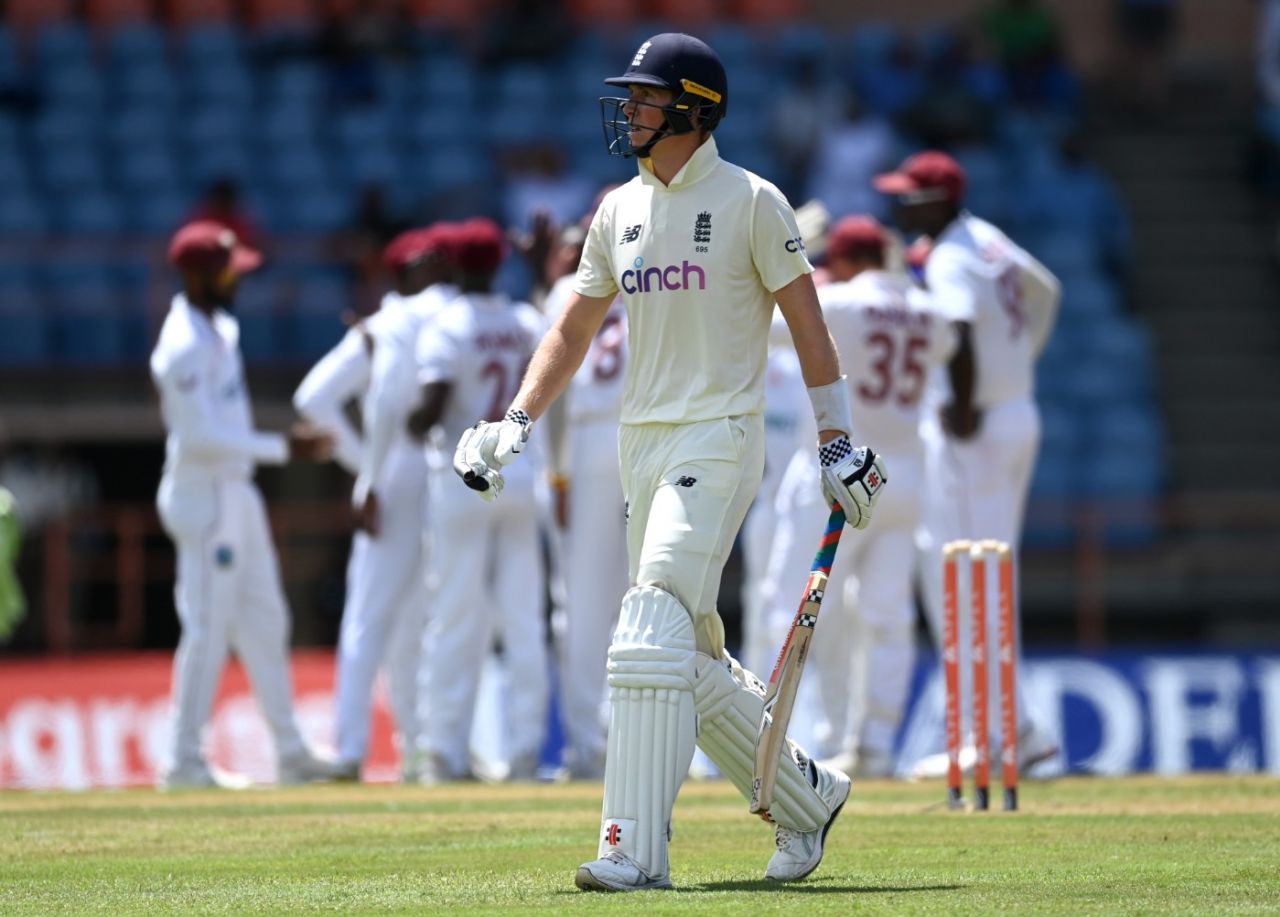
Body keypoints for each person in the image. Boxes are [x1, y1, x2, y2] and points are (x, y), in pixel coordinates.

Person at [450, 33, 887, 891]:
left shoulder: (753, 200)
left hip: (719, 436)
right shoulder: (618, 209)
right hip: (640, 445)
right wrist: (516, 420)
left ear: (692, 109)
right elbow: (573, 327)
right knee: (681, 651)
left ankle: (633, 850)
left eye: (646, 97)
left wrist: (835, 437)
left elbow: (808, 323)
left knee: (647, 622)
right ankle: (806, 796)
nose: (630, 110)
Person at [871, 151, 1061, 776]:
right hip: (1014, 413)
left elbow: (957, 331)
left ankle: (990, 738)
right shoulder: (987, 239)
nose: (900, 206)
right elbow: (1046, 291)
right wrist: (1019, 365)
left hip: (974, 426)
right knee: (986, 576)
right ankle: (1017, 729)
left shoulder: (951, 256)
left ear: (941, 200)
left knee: (965, 577)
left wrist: (964, 402)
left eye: (910, 197)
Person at [150, 221, 340, 789]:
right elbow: (199, 437)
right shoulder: (182, 345)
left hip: (237, 491)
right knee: (207, 627)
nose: (238, 281)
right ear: (196, 275)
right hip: (205, 496)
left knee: (266, 619)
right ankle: (183, 760)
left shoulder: (219, 328)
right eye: (228, 272)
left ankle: (290, 752)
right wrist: (284, 448)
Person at [292, 226, 457, 781]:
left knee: (377, 617)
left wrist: (363, 468)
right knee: (409, 619)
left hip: (395, 473)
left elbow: (313, 398)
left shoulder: (385, 324)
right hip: (436, 472)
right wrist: (366, 469)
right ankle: (408, 748)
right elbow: (314, 400)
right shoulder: (442, 314)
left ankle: (361, 749)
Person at [805, 216, 956, 779]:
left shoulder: (840, 301)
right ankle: (875, 744)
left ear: (844, 261)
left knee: (816, 607)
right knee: (887, 615)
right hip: (906, 477)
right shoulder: (929, 311)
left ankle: (824, 732)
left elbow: (767, 327)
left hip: (847, 473)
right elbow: (952, 346)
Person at [406, 218, 549, 784]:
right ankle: (525, 752)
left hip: (465, 478)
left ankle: (445, 752)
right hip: (520, 473)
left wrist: (406, 419)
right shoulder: (523, 320)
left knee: (455, 618)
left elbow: (431, 407)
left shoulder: (445, 326)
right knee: (523, 618)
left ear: (456, 266)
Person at [541, 219, 629, 780]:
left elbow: (556, 382)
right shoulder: (656, 275)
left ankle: (584, 745)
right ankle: (630, 739)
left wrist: (558, 474)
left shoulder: (565, 289)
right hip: (644, 437)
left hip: (589, 440)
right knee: (641, 596)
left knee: (584, 604)